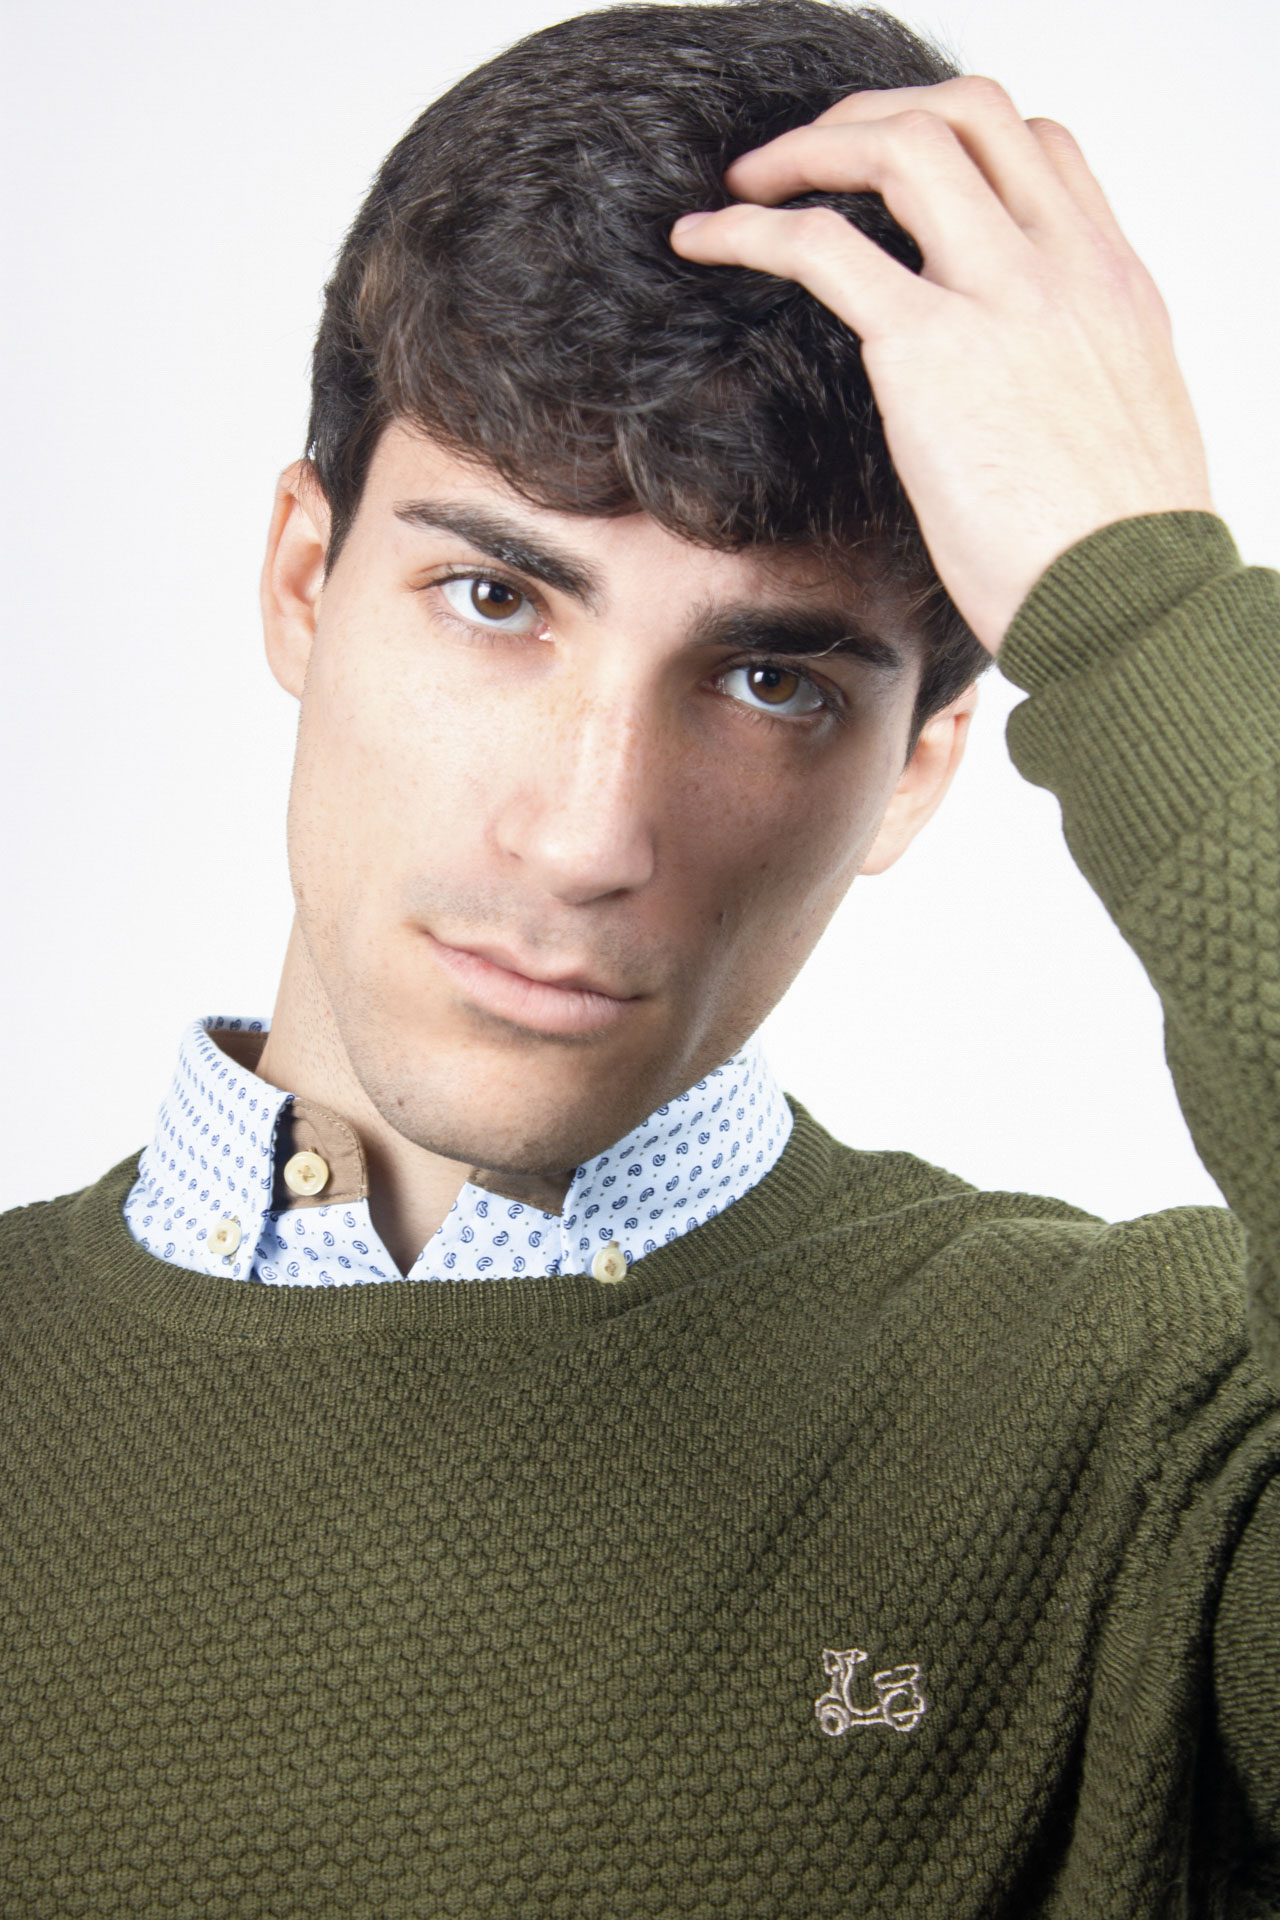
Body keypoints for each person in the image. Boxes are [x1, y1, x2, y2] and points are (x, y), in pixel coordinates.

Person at [1, 0, 1276, 1912]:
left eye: (772, 681)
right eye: (494, 595)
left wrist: (1138, 598)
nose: (590, 835)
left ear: (922, 768)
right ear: (302, 581)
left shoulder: (1140, 1436)